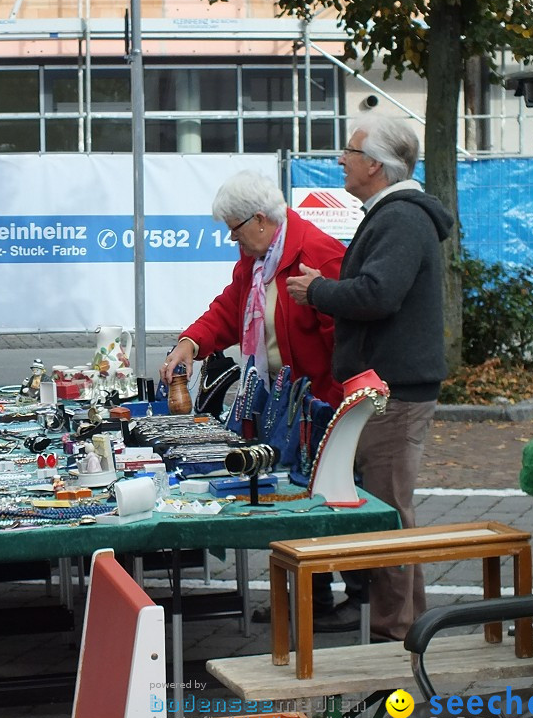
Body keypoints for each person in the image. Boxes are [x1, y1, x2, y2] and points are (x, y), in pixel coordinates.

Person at [286, 113, 454, 642]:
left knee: (386, 514)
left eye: (351, 151)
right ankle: (408, 629)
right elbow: (377, 288)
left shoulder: (400, 218)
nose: (342, 159)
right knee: (390, 511)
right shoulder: (394, 214)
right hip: (388, 386)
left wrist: (317, 291)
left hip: (394, 390)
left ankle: (392, 637)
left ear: (375, 165)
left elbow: (378, 294)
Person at [159, 169, 346, 621]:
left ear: (261, 220)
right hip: (280, 396)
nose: (231, 238)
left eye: (234, 228)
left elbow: (344, 335)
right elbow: (228, 309)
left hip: (318, 399)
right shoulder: (256, 259)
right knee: (288, 497)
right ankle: (311, 599)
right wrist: (190, 342)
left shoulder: (316, 252)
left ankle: (357, 598)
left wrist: (334, 407)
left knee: (325, 496)